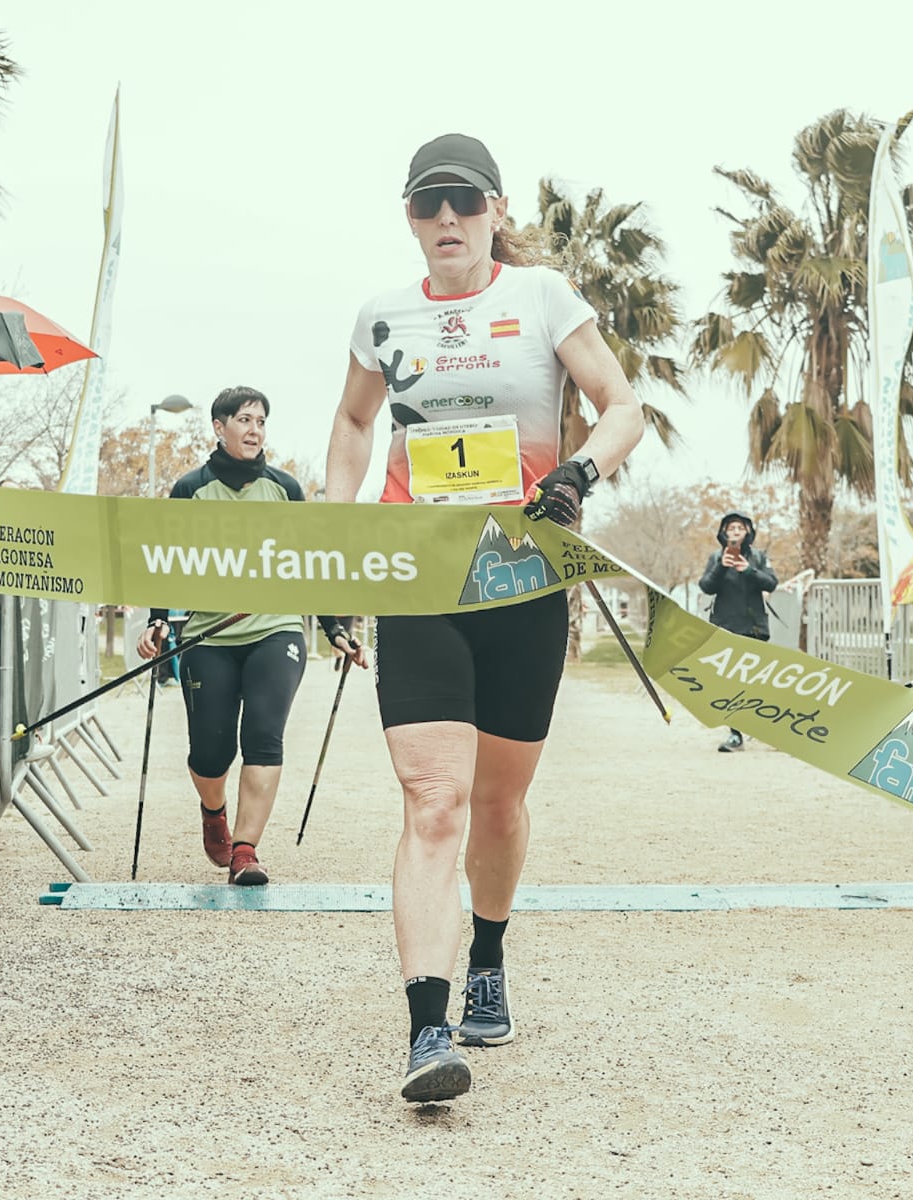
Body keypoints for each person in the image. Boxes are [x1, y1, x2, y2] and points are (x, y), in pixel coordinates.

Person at [325, 133, 644, 1102]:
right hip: (420, 583)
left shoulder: (541, 298)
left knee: (498, 804)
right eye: (428, 206)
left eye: (464, 202)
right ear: (410, 219)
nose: (447, 220)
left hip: (521, 584)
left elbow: (623, 403)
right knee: (433, 801)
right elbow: (350, 424)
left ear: (496, 210)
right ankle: (428, 1031)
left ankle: (489, 957)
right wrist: (340, 546)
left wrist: (582, 469)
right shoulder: (381, 316)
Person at [138, 386, 367, 885]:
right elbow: (166, 561)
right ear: (219, 428)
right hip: (209, 635)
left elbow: (310, 565)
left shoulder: (285, 489)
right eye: (244, 420)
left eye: (261, 421)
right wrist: (158, 618)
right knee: (209, 753)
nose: (255, 430)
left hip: (276, 630)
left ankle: (246, 851)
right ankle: (214, 810)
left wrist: (335, 628)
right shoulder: (190, 490)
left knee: (264, 735)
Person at [699, 511, 777, 752]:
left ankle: (766, 730)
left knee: (755, 682)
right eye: (730, 528)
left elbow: (772, 583)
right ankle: (735, 735)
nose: (734, 532)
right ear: (723, 533)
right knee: (729, 684)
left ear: (747, 532)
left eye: (739, 528)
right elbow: (706, 587)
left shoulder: (759, 557)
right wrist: (721, 568)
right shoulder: (716, 557)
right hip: (725, 628)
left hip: (754, 628)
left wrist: (748, 570)